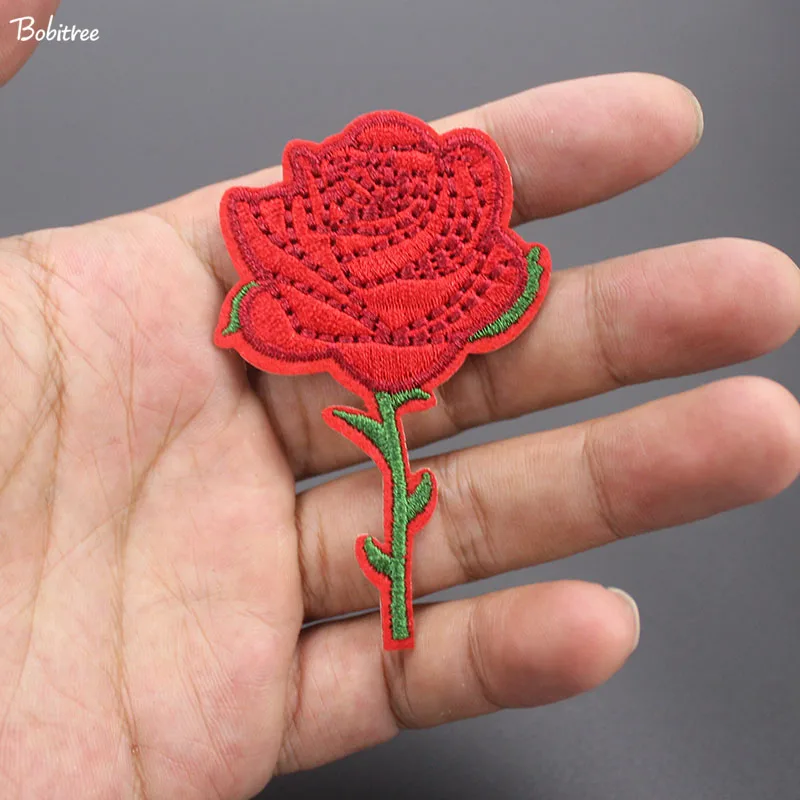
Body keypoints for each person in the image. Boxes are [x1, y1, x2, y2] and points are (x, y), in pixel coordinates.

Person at [1, 21, 799, 800]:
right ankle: (396, 595)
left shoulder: (468, 254)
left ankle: (398, 592)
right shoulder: (281, 261)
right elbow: (264, 303)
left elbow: (506, 275)